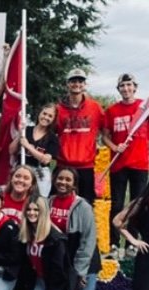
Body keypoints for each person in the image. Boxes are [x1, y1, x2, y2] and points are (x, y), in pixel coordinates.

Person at [47, 168, 97, 290]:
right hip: (62, 265)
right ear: (54, 179)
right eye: (60, 178)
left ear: (74, 183)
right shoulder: (47, 202)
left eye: (68, 179)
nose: (63, 182)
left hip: (84, 265)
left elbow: (88, 241)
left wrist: (79, 273)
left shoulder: (83, 206)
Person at [103, 73, 149, 252]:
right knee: (117, 203)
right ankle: (114, 243)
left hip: (139, 163)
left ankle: (132, 242)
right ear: (119, 89)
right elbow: (105, 136)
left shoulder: (144, 107)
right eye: (122, 86)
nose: (126, 89)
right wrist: (115, 147)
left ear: (135, 87)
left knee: (137, 203)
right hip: (119, 163)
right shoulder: (112, 111)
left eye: (129, 85)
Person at [55, 68, 104, 202]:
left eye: (80, 81)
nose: (77, 84)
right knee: (58, 202)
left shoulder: (95, 107)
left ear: (84, 85)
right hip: (63, 164)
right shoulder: (58, 109)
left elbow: (106, 131)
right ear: (67, 84)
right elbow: (49, 133)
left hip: (86, 166)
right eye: (73, 81)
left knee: (86, 203)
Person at [13, 104, 60, 196]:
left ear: (53, 119)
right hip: (22, 169)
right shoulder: (26, 130)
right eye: (44, 113)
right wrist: (19, 134)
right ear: (39, 114)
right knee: (20, 197)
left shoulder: (52, 138)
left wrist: (28, 146)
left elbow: (46, 159)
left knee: (39, 201)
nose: (46, 117)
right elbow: (12, 150)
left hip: (40, 174)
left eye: (50, 116)